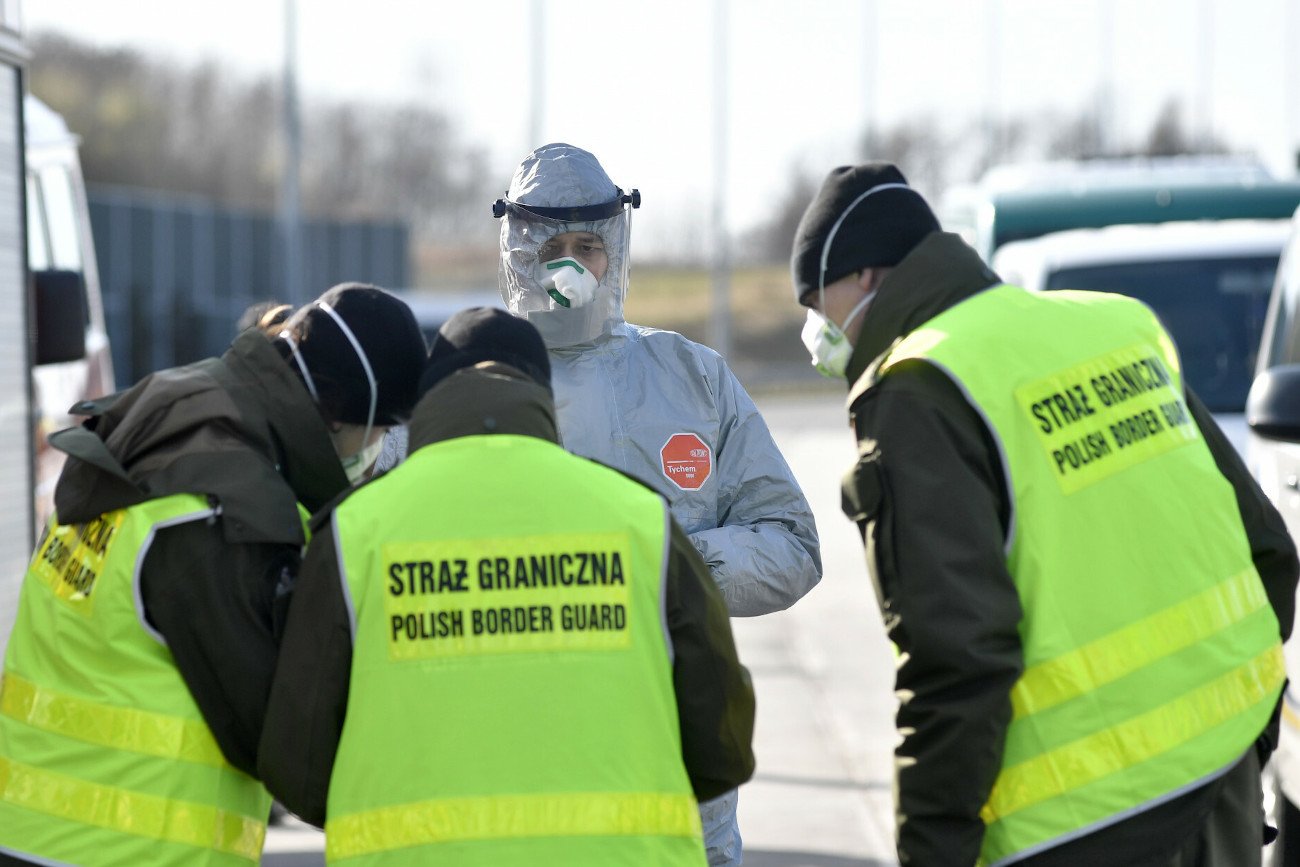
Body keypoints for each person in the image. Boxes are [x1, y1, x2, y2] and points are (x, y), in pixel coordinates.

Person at [789, 162, 1300, 866]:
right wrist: (1242, 741)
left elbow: (955, 663)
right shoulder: (1116, 325)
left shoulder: (916, 388)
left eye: (818, 303)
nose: (817, 330)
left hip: (1078, 826)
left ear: (867, 278)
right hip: (1224, 788)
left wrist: (933, 850)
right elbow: (1268, 547)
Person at [258, 307, 756, 865]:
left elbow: (296, 766)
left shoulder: (355, 531)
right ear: (542, 396)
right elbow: (723, 750)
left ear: (430, 397)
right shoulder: (639, 520)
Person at [0, 282, 426, 867]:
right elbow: (290, 744)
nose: (374, 455)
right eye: (377, 434)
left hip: (40, 826)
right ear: (335, 417)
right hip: (127, 846)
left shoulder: (176, 412)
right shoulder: (222, 513)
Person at [492, 142, 821, 864]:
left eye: (589, 246)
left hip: (673, 759)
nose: (572, 265)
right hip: (524, 754)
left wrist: (673, 565)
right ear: (519, 254)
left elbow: (793, 544)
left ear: (617, 247)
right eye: (552, 246)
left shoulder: (691, 378)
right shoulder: (475, 387)